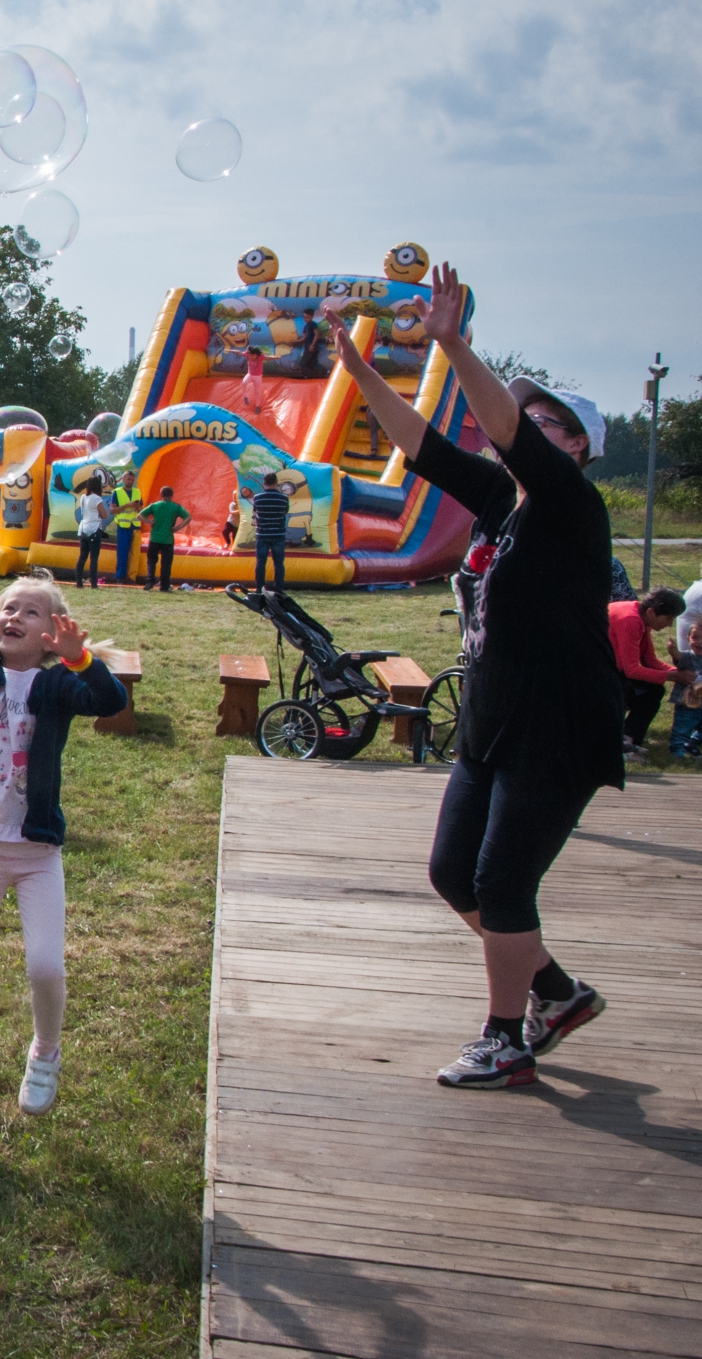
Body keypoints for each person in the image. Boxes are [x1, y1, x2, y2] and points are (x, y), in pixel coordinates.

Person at [329, 265, 622, 1091]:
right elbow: (419, 444)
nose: (529, 424)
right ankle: (555, 992)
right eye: (529, 412)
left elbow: (501, 428)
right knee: (453, 873)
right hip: (493, 717)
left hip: (558, 724)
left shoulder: (573, 508)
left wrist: (454, 343)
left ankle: (506, 1036)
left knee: (501, 881)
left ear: (575, 450)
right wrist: (357, 372)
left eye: (548, 422)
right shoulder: (503, 500)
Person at [0, 450, 127, 1152]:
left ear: (52, 633)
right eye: (9, 605)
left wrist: (81, 660)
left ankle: (44, 1050)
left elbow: (110, 700)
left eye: (31, 611)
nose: (12, 614)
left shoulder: (61, 685)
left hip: (35, 854)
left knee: (45, 966)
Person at [609, 587, 694, 758]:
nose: (669, 624)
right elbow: (631, 670)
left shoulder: (642, 618)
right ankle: (621, 743)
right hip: (597, 675)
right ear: (651, 611)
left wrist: (683, 674)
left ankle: (627, 739)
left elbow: (649, 660)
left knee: (653, 690)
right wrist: (673, 676)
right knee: (642, 694)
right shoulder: (630, 620)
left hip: (611, 671)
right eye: (669, 618)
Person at [140, 486, 192, 591]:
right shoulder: (176, 507)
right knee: (166, 563)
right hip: (168, 539)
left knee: (151, 561)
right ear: (172, 495)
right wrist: (177, 527)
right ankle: (164, 584)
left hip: (154, 537)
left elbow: (140, 515)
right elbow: (188, 517)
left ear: (161, 494)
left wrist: (150, 522)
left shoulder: (155, 505)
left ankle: (150, 581)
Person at [251, 473, 291, 590]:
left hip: (262, 534)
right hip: (278, 534)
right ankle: (278, 589)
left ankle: (259, 588)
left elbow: (255, 512)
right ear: (276, 483)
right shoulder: (284, 498)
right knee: (278, 563)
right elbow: (285, 513)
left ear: (264, 483)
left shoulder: (257, 498)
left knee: (260, 563)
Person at [668, 620, 701, 760]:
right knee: (682, 728)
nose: (699, 642)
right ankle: (677, 750)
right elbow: (678, 658)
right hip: (687, 703)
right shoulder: (688, 657)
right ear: (688, 639)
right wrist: (673, 651)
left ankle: (692, 742)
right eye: (695, 637)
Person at [109, 470, 143, 583]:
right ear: (123, 479)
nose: (130, 482)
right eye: (128, 479)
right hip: (123, 526)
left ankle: (132, 577)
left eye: (132, 480)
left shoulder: (137, 492)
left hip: (135, 526)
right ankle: (120, 577)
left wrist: (137, 507)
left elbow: (141, 510)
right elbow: (112, 510)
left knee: (135, 554)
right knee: (122, 552)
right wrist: (127, 505)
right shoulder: (117, 492)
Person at [73, 477, 107, 588]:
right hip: (94, 528)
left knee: (82, 556)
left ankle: (78, 582)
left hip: (83, 528)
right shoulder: (97, 499)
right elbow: (104, 515)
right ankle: (93, 583)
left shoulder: (83, 497)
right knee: (94, 558)